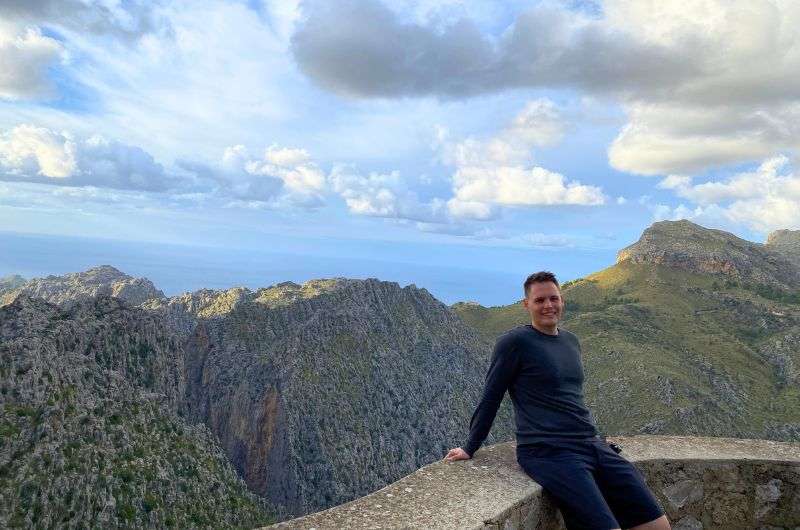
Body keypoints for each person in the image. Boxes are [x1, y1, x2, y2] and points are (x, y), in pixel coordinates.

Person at [444, 271, 670, 530]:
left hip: (591, 445)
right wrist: (470, 446)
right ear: (526, 304)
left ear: (562, 300)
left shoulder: (571, 341)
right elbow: (491, 396)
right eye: (540, 300)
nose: (548, 305)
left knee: (657, 525)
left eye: (554, 298)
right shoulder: (514, 343)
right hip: (548, 452)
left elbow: (569, 397)